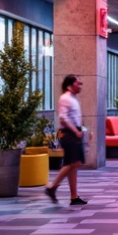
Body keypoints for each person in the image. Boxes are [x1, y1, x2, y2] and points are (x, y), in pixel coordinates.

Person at [45, 74, 87, 206]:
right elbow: (63, 118)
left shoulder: (73, 98)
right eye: (77, 83)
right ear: (69, 85)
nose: (79, 86)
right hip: (69, 134)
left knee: (74, 163)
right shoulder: (65, 98)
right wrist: (75, 131)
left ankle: (74, 196)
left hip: (74, 132)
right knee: (71, 163)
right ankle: (52, 187)